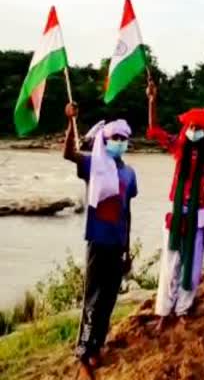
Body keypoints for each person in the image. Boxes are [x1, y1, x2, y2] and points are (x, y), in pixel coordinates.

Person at [63, 104, 137, 379]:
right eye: (114, 138)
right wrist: (71, 122)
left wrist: (128, 250)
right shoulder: (94, 166)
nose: (119, 142)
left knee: (108, 299)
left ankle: (97, 345)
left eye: (123, 138)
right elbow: (69, 153)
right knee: (92, 299)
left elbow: (127, 213)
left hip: (118, 244)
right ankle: (83, 351)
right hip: (97, 240)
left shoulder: (129, 174)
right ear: (105, 141)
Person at [145, 81, 204, 330]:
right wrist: (152, 101)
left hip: (199, 215)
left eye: (199, 128)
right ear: (186, 127)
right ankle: (164, 311)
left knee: (193, 264)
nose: (194, 131)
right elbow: (154, 131)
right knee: (171, 263)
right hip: (176, 214)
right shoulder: (178, 148)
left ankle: (183, 308)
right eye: (191, 126)